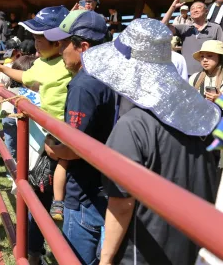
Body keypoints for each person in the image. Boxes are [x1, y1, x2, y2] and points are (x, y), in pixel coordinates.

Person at [81, 18, 220, 265]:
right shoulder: (201, 118)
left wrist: (105, 259)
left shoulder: (132, 125)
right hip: (192, 246)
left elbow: (121, 203)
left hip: (143, 252)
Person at [0, 5, 72, 263]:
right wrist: (1, 69)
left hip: (64, 134)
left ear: (58, 42)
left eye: (39, 39)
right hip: (46, 138)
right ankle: (35, 249)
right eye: (34, 38)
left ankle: (45, 246)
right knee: (37, 191)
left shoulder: (71, 63)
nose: (35, 44)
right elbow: (24, 76)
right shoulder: (43, 63)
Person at [43, 10, 114, 264]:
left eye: (63, 43)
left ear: (83, 47)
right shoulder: (114, 75)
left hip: (85, 193)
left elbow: (74, 149)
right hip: (111, 190)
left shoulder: (83, 85)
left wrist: (52, 148)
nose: (59, 49)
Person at [162, 0, 223, 75]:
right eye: (192, 9)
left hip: (208, 75)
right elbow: (162, 26)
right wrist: (173, 7)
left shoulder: (215, 28)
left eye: (199, 7)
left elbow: (221, 49)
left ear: (206, 11)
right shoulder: (184, 28)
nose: (195, 10)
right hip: (186, 74)